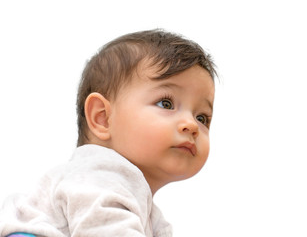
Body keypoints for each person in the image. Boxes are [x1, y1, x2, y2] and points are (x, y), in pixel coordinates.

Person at [0, 29, 217, 237]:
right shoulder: (99, 175)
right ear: (102, 117)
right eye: (166, 103)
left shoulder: (144, 209)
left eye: (202, 117)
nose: (191, 125)